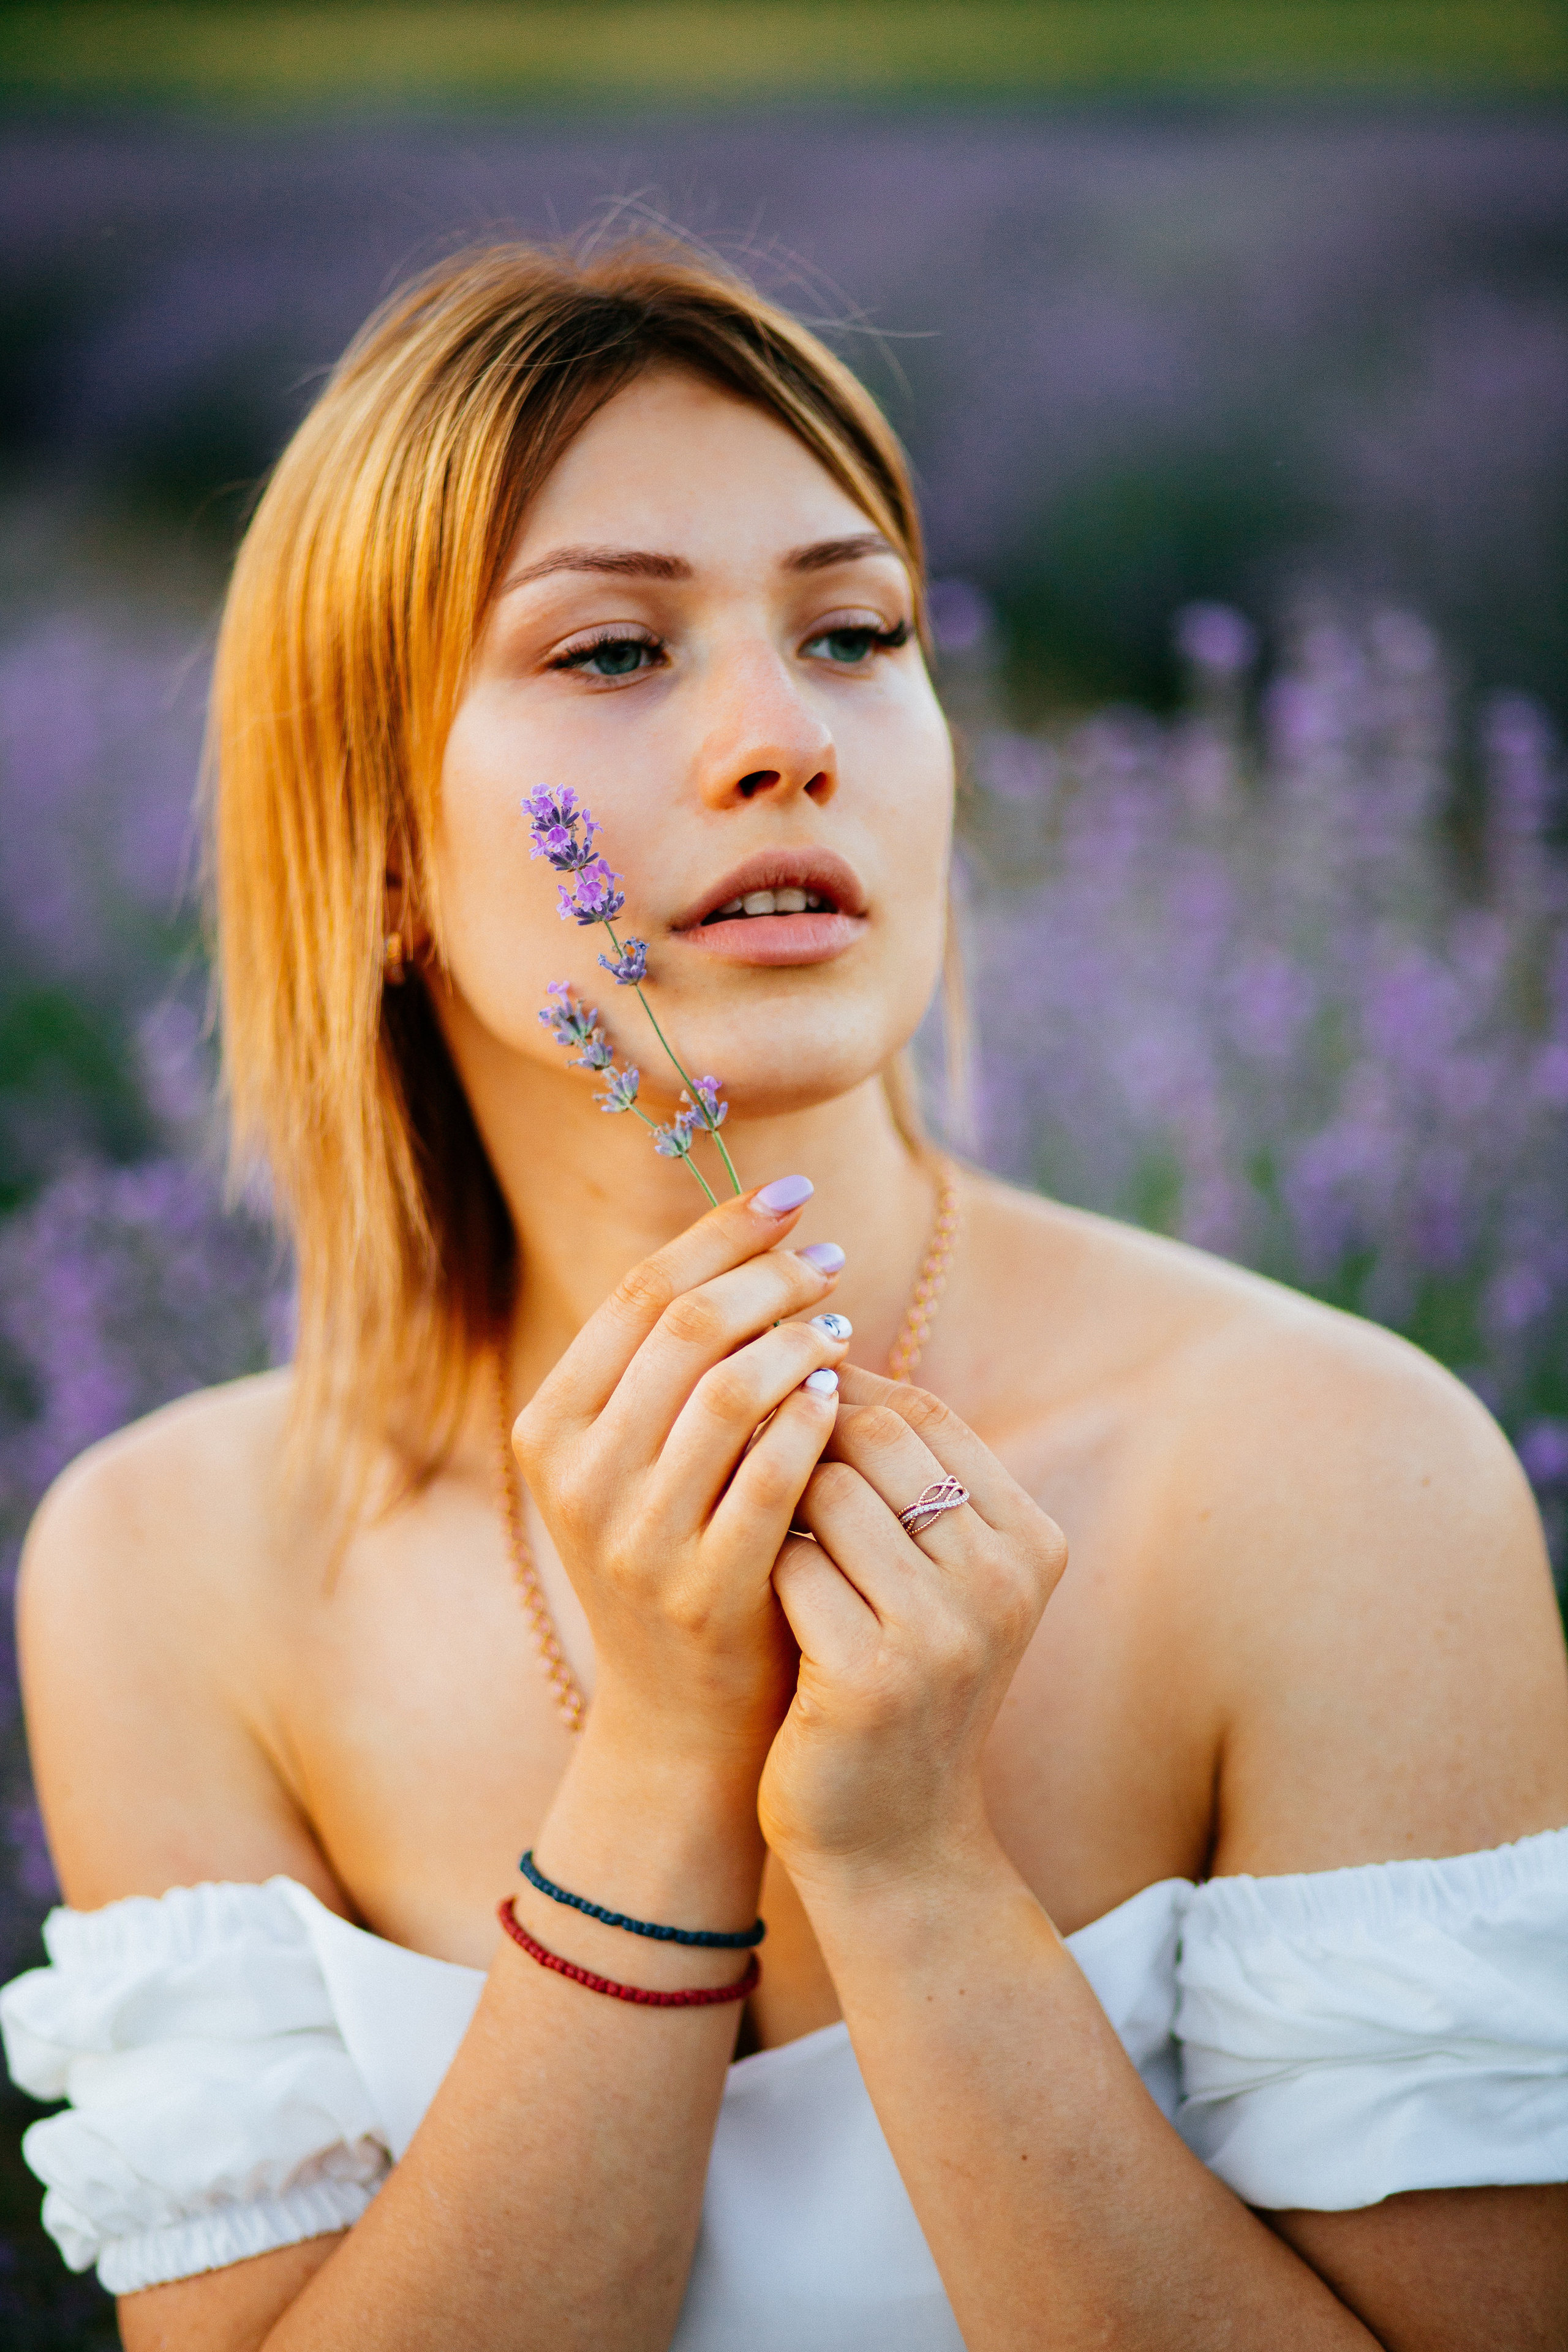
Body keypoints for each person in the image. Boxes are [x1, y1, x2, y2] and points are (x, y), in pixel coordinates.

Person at [3, 238, 1567, 2352]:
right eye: (617, 655)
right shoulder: (169, 1569)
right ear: (376, 839)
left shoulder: (1331, 1479)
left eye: (854, 632)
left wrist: (912, 1871)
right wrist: (659, 1770)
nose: (781, 739)